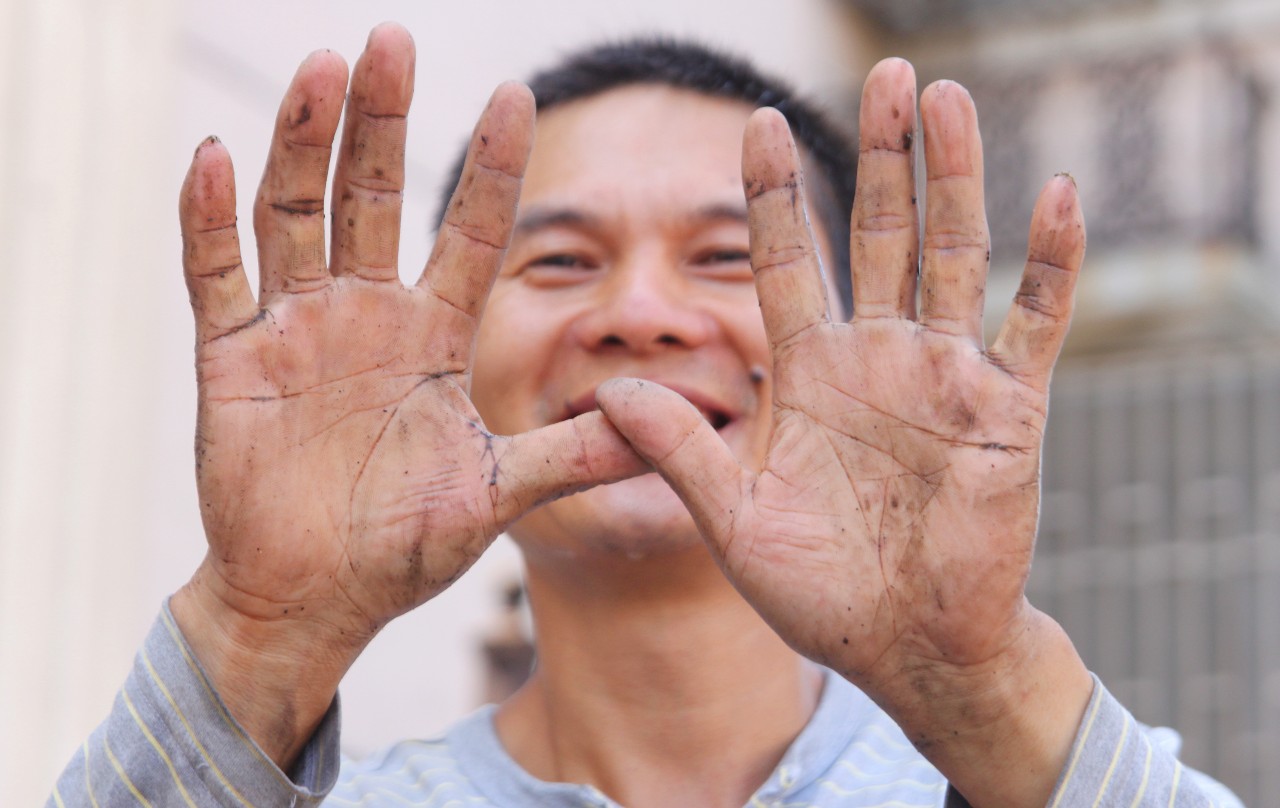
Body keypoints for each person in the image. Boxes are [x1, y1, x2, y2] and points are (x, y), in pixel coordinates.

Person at [50, 21, 1242, 808]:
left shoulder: (1032, 770)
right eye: (560, 261)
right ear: (448, 359)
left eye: (728, 257)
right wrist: (258, 635)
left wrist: (982, 688)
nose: (639, 314)